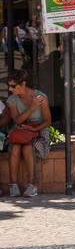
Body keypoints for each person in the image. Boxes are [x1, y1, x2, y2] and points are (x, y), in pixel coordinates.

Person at [0, 68, 51, 199]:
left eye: (13, 86)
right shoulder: (12, 100)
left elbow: (47, 121)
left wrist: (34, 129)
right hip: (21, 131)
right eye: (9, 86)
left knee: (28, 147)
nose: (10, 89)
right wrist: (32, 108)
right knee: (15, 147)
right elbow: (17, 120)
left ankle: (32, 185)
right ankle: (13, 185)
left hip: (38, 131)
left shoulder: (41, 97)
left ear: (23, 84)